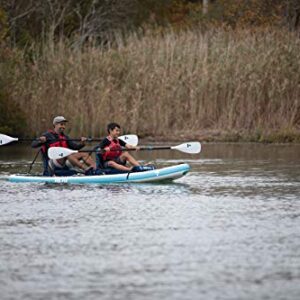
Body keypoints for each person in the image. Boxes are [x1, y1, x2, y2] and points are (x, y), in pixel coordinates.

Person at [32, 116, 96, 176]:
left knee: (84, 154)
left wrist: (82, 143)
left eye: (64, 125)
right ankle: (86, 170)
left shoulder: (65, 137)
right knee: (67, 154)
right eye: (61, 124)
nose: (63, 126)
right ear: (55, 125)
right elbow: (33, 145)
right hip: (52, 163)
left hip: (64, 161)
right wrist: (40, 141)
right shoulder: (47, 135)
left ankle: (95, 169)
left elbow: (75, 147)